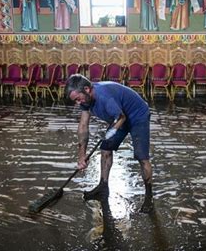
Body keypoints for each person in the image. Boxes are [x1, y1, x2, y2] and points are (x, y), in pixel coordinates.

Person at [65, 74, 154, 213]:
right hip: (119, 116)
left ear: (87, 89)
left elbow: (121, 117)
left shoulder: (105, 98)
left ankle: (149, 197)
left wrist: (110, 133)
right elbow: (83, 126)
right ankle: (103, 186)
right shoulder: (85, 101)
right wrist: (81, 156)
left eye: (78, 99)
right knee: (105, 148)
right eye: (75, 100)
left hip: (137, 116)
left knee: (142, 157)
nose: (78, 103)